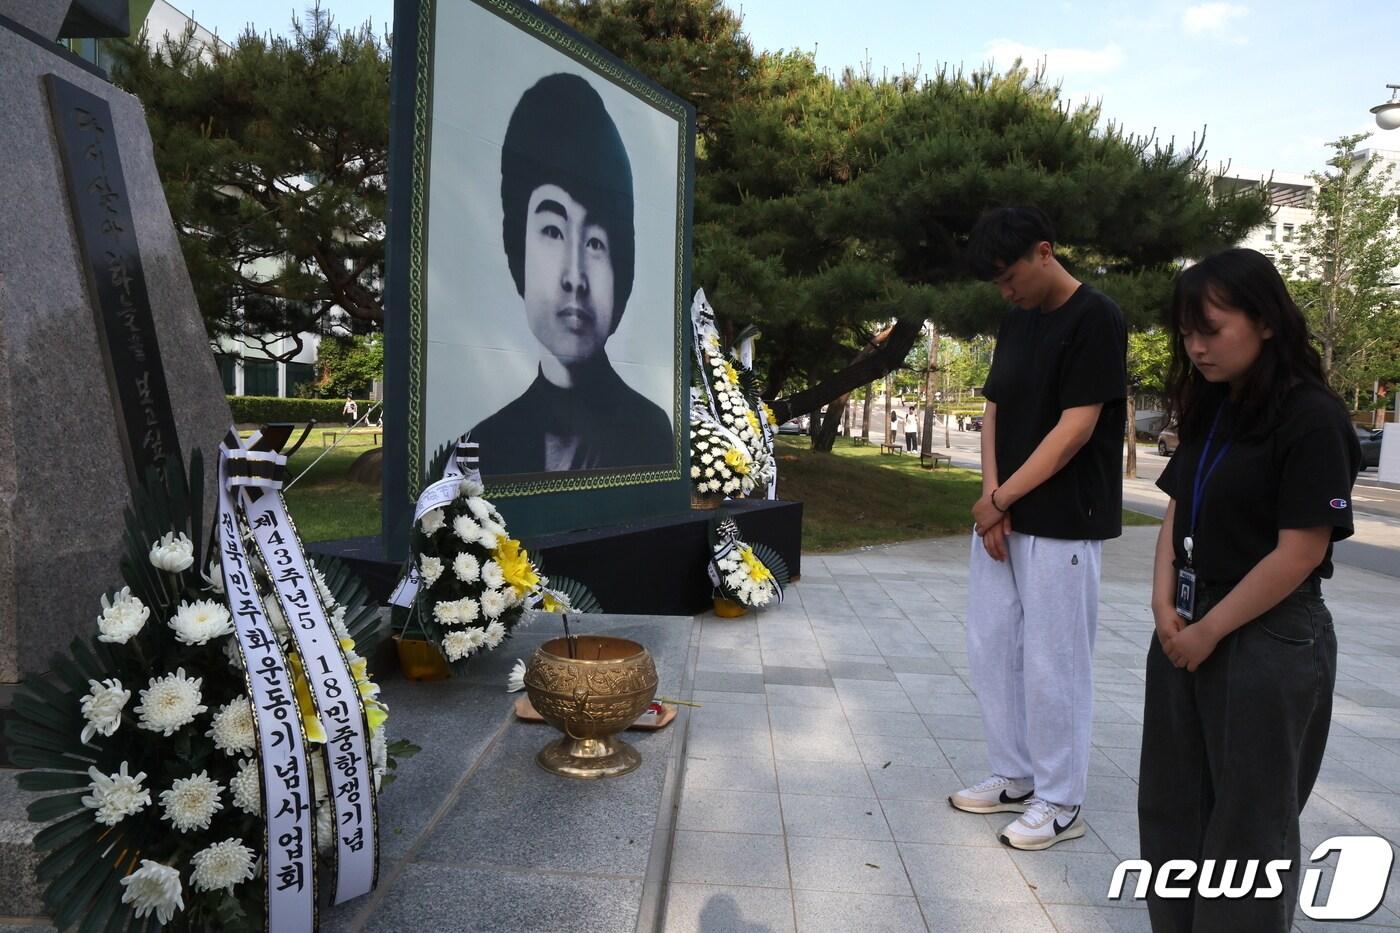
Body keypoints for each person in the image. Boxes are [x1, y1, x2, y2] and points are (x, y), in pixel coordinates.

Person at [1138, 249, 1360, 931]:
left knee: (1248, 830)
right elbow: (1179, 504)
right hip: (1187, 619)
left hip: (1266, 634)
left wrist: (1209, 629)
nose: (1196, 346)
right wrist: (1164, 603)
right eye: (1186, 331)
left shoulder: (1310, 414)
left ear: (1265, 321)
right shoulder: (1216, 402)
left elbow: (1301, 551)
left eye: (1211, 328)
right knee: (1172, 810)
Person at [947, 206, 1127, 851]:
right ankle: (1015, 774)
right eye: (996, 284)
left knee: (1056, 661)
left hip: (1063, 521)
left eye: (1009, 276)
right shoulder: (1017, 320)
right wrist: (992, 496)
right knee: (993, 646)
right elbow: (995, 405)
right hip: (1007, 511)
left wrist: (1005, 498)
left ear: (1044, 251)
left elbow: (1076, 427)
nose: (1006, 291)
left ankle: (1061, 798)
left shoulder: (1096, 317)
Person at [469, 72, 672, 476]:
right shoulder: (485, 443)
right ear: (517, 245)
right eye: (552, 231)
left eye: (596, 242)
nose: (574, 277)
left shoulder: (651, 434)